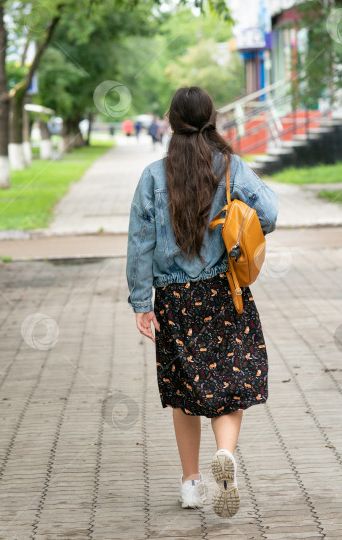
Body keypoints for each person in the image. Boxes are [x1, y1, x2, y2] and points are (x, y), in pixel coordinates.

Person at [125, 86, 278, 518]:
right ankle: (225, 454)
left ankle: (191, 483)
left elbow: (140, 243)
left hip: (174, 299)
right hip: (223, 293)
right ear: (212, 119)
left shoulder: (153, 176)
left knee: (183, 392)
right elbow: (268, 215)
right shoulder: (230, 167)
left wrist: (141, 301)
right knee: (231, 382)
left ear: (172, 122)